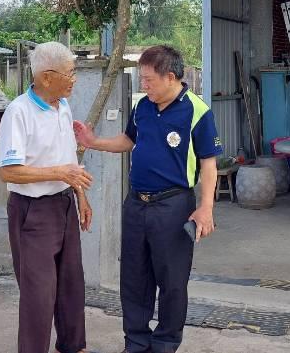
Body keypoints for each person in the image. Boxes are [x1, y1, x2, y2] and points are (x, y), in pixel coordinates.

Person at [73, 45, 221, 353]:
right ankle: (136, 343)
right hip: (136, 204)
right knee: (134, 278)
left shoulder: (197, 111)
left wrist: (206, 208)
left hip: (173, 205)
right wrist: (94, 141)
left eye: (149, 80)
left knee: (172, 281)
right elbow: (129, 140)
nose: (144, 85)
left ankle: (165, 343)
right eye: (142, 79)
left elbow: (209, 164)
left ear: (170, 77)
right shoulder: (143, 107)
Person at [0, 41, 96, 353]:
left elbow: (68, 159)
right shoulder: (18, 112)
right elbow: (9, 171)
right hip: (33, 212)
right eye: (70, 73)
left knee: (71, 285)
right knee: (38, 294)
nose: (74, 78)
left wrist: (80, 194)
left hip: (64, 204)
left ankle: (73, 346)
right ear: (47, 77)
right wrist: (59, 174)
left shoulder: (62, 106)